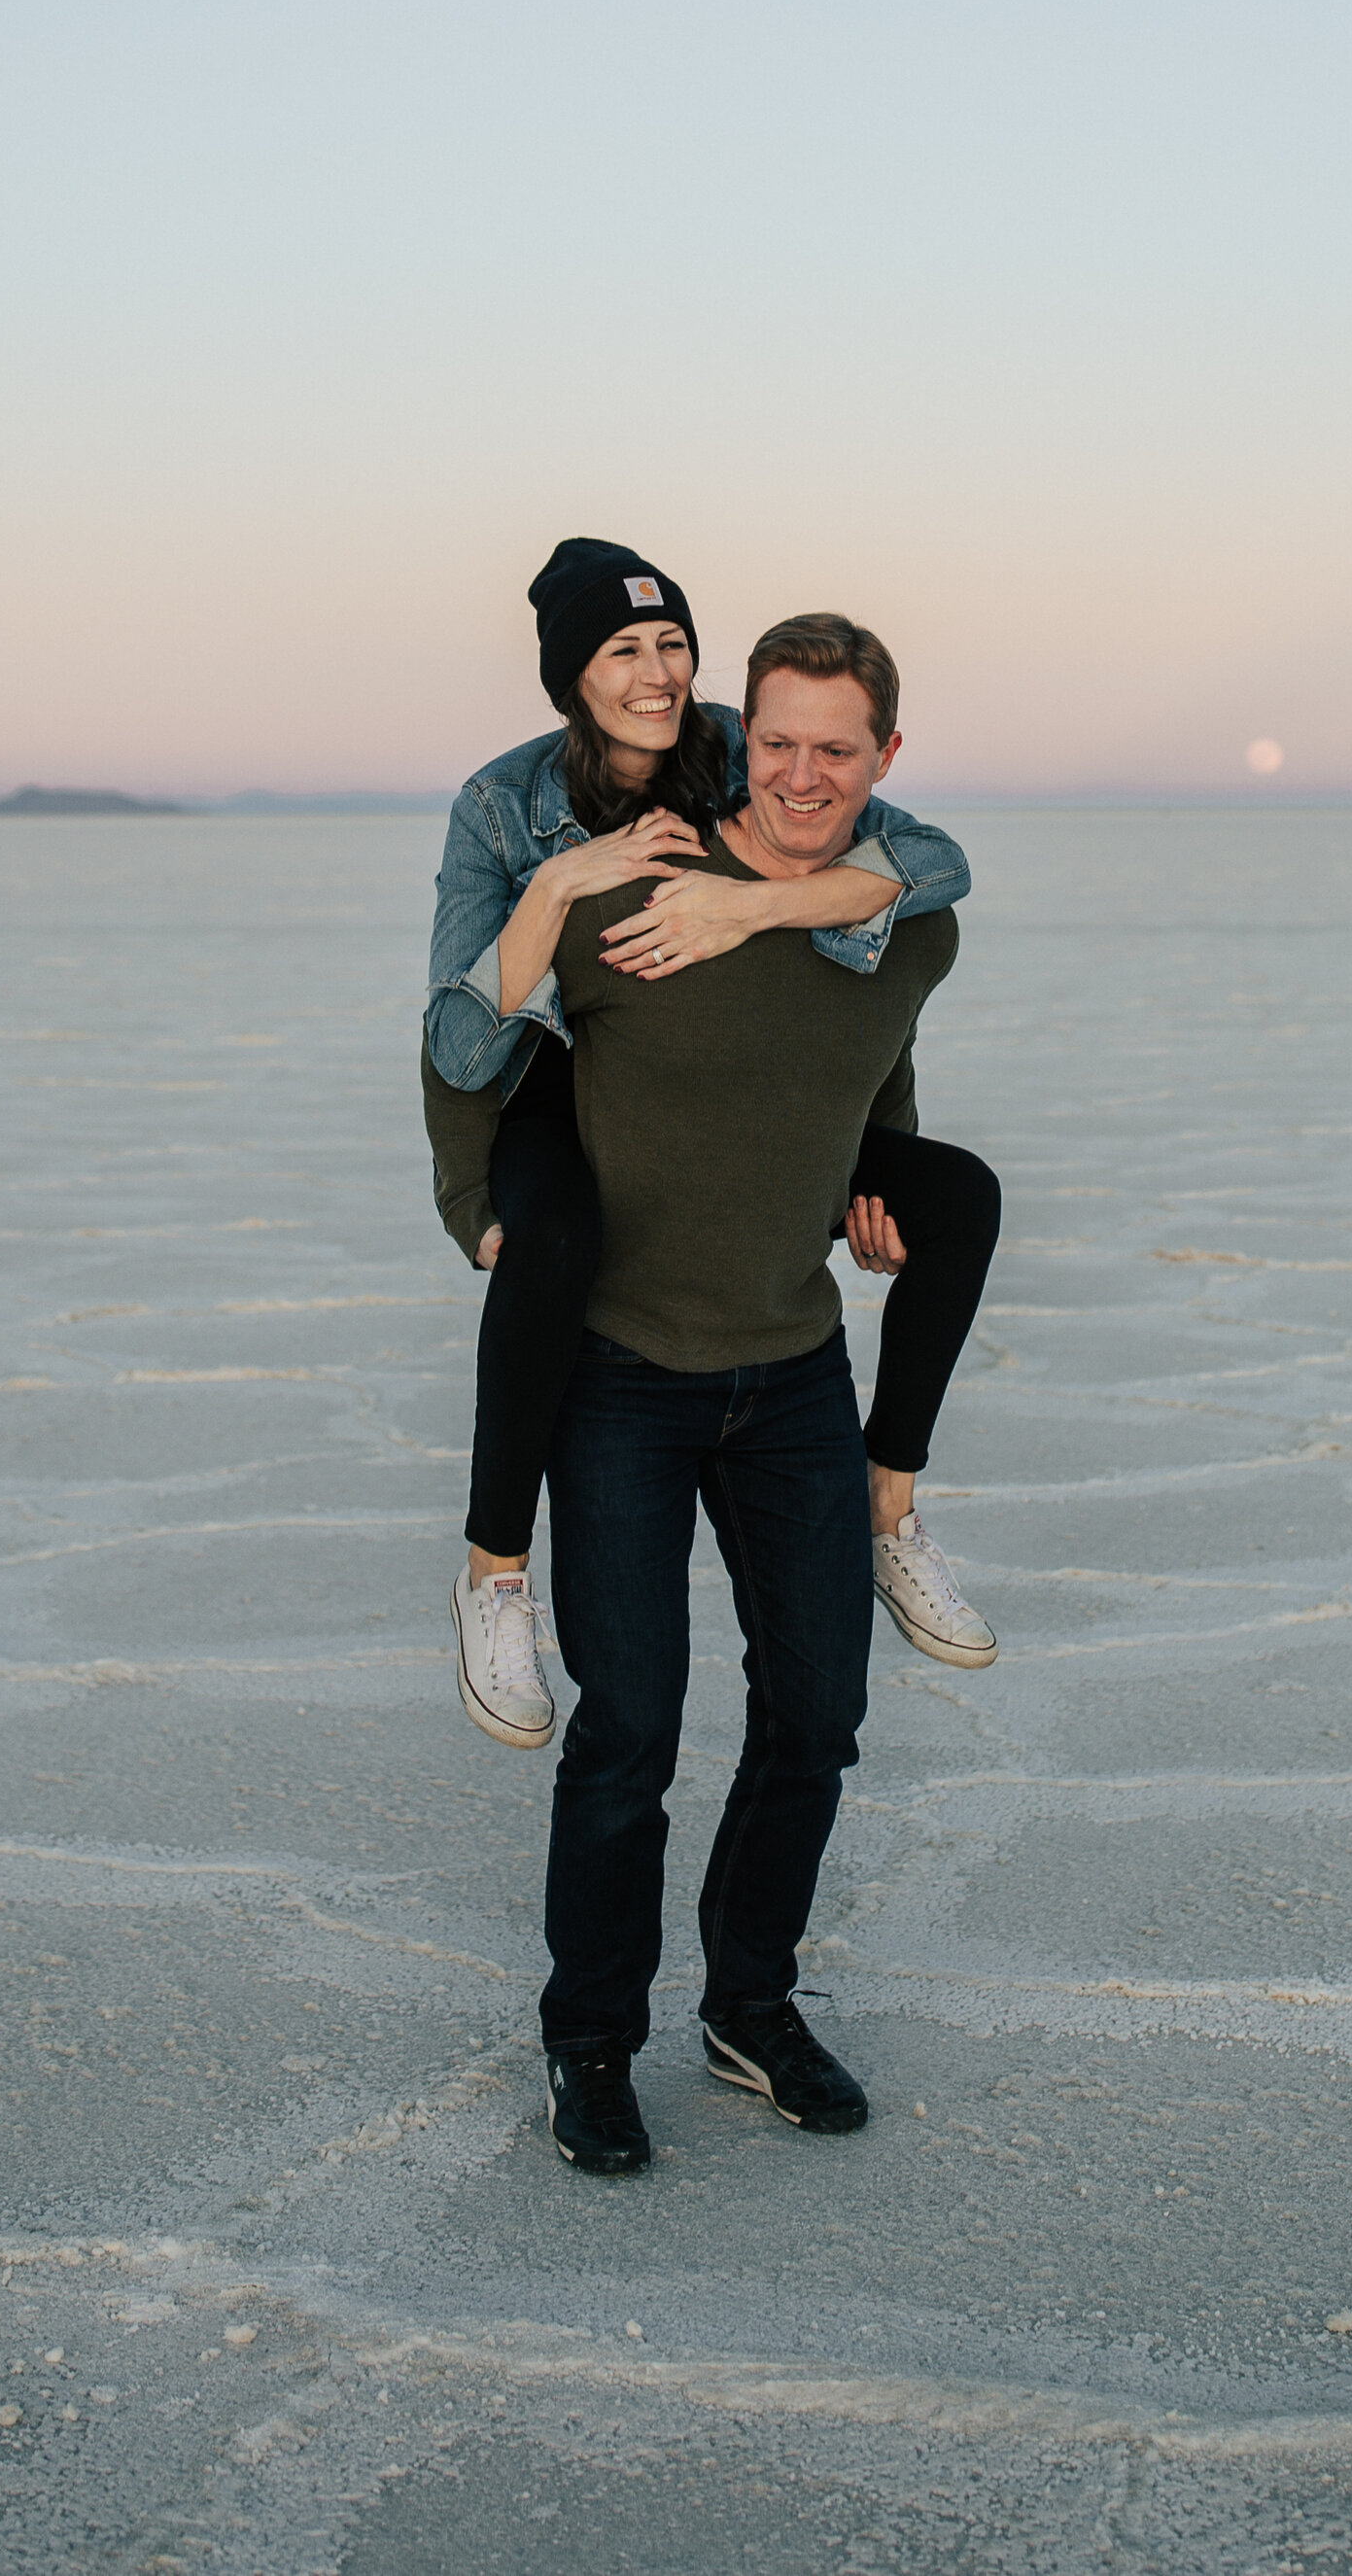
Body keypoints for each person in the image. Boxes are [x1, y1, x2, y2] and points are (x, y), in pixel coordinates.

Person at [422, 541, 1002, 1755]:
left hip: (743, 1091)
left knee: (962, 1200)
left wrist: (753, 903)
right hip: (552, 1083)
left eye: (672, 643)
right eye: (622, 649)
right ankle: (492, 1574)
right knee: (559, 1237)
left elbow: (926, 867)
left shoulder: (748, 744)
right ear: (569, 675)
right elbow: (464, 1046)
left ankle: (886, 1510)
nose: (657, 673)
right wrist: (560, 884)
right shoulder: (501, 804)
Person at [518, 608, 966, 2171]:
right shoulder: (631, 892)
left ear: (884, 760)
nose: (799, 772)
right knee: (629, 1727)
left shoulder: (904, 922)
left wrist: (876, 1183)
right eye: (773, 739)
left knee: (820, 1714)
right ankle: (590, 2043)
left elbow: (873, 1058)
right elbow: (480, 1045)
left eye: (835, 748)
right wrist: (485, 1216)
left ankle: (750, 2005)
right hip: (622, 1379)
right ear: (735, 733)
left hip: (790, 1374)